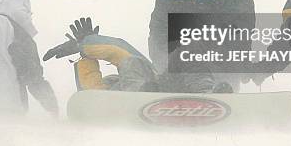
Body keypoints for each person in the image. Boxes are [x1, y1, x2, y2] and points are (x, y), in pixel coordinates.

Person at [44, 17, 233, 93]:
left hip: (162, 86)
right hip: (142, 93)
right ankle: (141, 95)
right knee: (133, 63)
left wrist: (86, 43)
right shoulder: (108, 90)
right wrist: (85, 57)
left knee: (186, 52)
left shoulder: (140, 69)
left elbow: (119, 49)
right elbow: (89, 91)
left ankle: (208, 95)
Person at [0, 0, 58, 116]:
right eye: (27, 11)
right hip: (10, 106)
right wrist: (52, 107)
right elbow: (32, 76)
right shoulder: (18, 33)